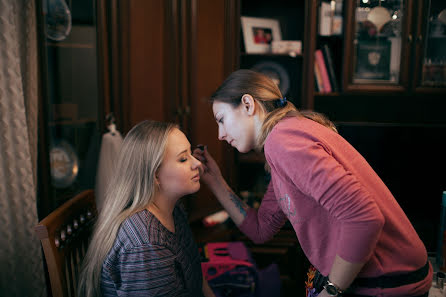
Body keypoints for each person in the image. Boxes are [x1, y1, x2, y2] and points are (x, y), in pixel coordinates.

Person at [193, 69, 433, 297]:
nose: (220, 134)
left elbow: (363, 217)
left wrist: (331, 290)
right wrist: (215, 181)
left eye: (221, 119)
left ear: (248, 104)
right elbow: (261, 228)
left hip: (387, 282)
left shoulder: (283, 140)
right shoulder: (284, 139)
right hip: (394, 276)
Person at [78, 120, 215, 297]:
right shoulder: (147, 245)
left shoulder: (173, 209)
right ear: (155, 174)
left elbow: (196, 276)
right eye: (183, 158)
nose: (196, 163)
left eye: (191, 154)